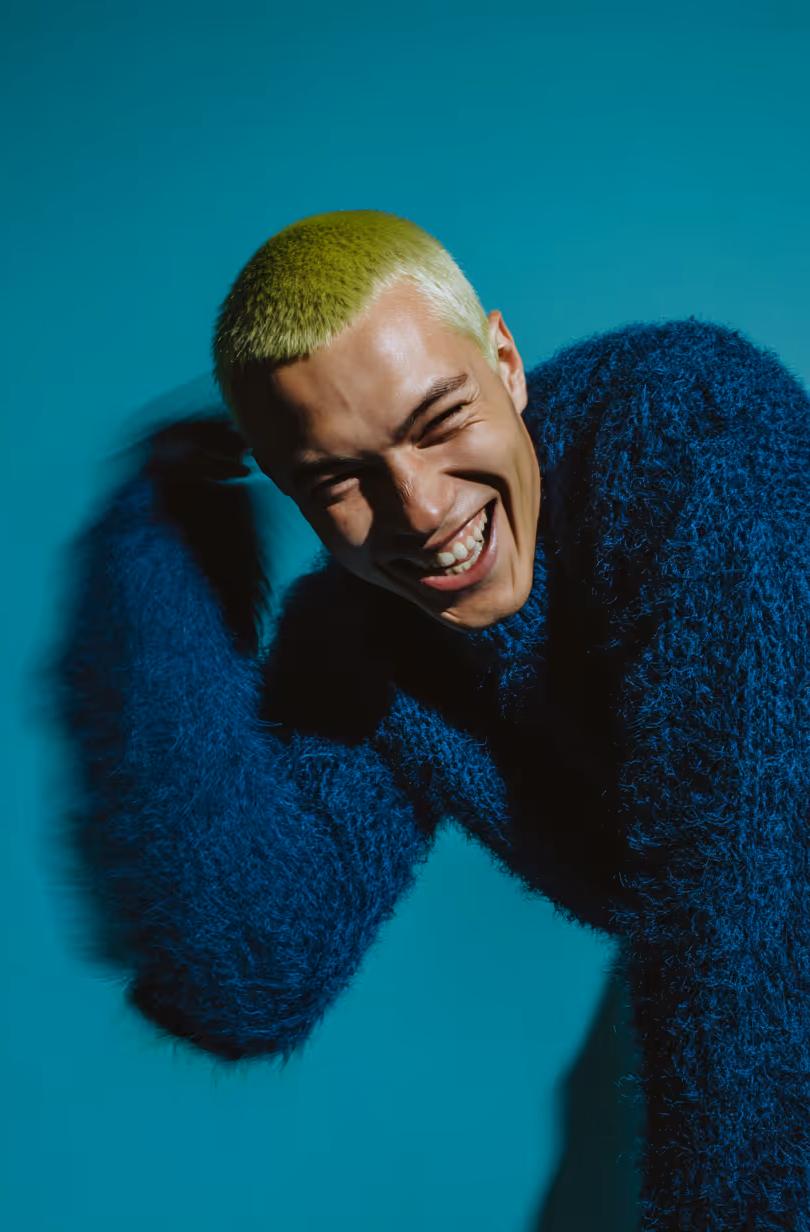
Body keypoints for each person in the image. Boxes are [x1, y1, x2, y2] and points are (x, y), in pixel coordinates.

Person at [56, 210, 810, 1230]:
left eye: (438, 420)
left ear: (504, 361)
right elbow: (246, 967)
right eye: (339, 479)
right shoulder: (363, 639)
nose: (416, 510)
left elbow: (746, 896)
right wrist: (165, 562)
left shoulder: (692, 432)